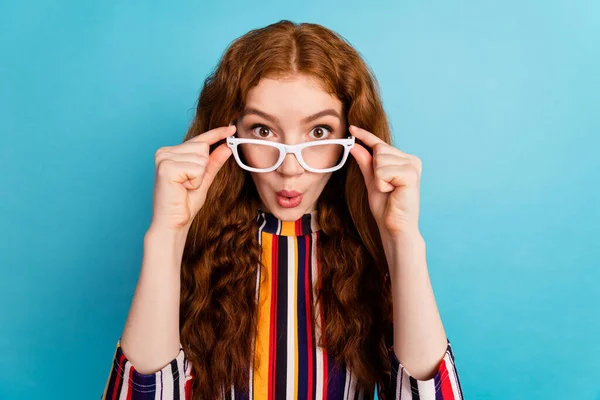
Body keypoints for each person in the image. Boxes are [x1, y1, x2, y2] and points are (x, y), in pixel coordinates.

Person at [101, 20, 464, 400]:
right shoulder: (193, 255)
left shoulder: (374, 258)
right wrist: (166, 235)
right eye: (263, 130)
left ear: (352, 138)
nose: (290, 167)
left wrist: (403, 238)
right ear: (229, 134)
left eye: (319, 132)